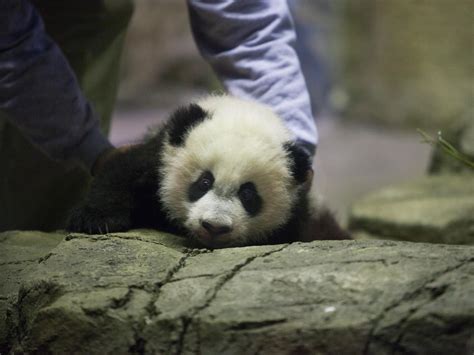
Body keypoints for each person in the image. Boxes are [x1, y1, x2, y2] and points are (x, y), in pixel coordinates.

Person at [0, 0, 317, 231]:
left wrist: (294, 147)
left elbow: (249, 25)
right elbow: (10, 45)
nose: (217, 217)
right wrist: (88, 146)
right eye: (202, 182)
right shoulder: (159, 160)